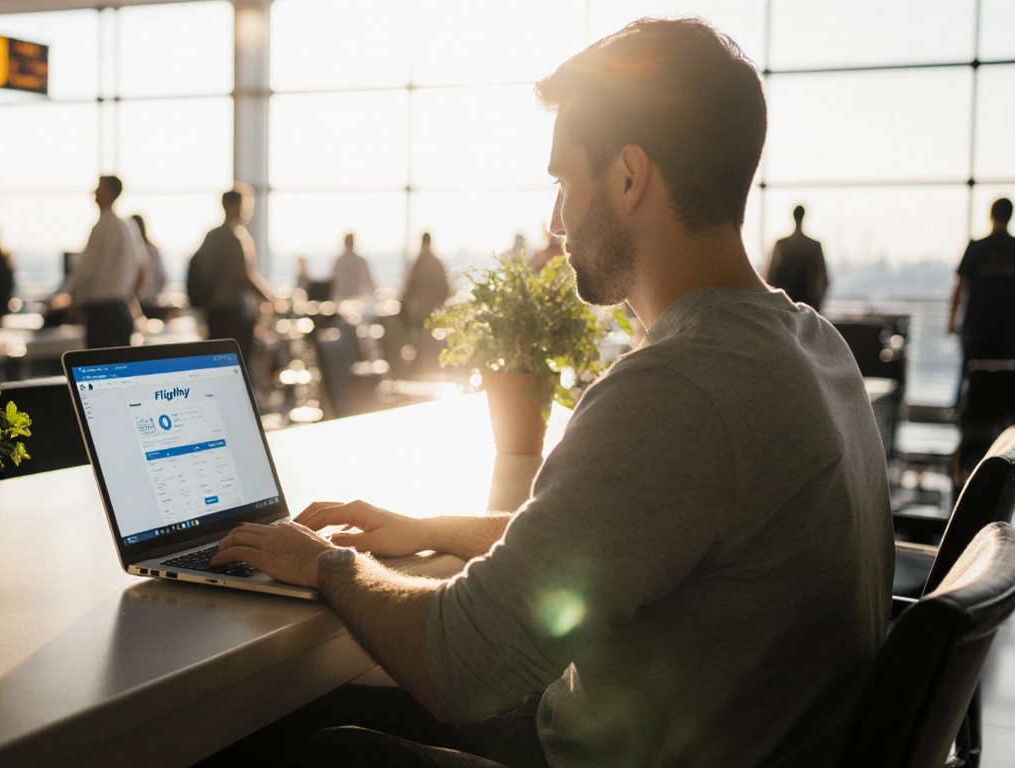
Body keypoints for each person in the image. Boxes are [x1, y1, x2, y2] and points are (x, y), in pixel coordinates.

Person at [207, 18, 892, 768]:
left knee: (298, 746)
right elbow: (608, 536)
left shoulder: (679, 388)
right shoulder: (809, 345)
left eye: (566, 182)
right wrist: (427, 527)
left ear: (631, 177)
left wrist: (325, 563)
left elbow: (459, 666)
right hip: (692, 732)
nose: (556, 222)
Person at [189, 185, 276, 367]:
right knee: (239, 366)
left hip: (216, 312)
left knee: (221, 366)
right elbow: (242, 274)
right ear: (232, 205)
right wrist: (270, 298)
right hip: (231, 314)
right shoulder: (232, 236)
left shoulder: (213, 235)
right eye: (246, 204)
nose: (248, 209)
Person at [948, 197, 1015, 364]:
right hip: (1012, 329)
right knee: (1010, 382)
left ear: (990, 215)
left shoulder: (976, 248)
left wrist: (951, 321)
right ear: (1010, 216)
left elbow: (960, 287)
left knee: (973, 380)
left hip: (977, 328)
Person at [66, 175, 147, 349]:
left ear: (109, 192)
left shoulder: (103, 227)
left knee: (98, 370)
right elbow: (142, 269)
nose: (94, 193)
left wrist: (74, 300)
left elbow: (87, 272)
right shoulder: (128, 226)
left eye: (98, 188)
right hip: (122, 311)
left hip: (102, 314)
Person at [764, 205, 829, 311]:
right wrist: (817, 302)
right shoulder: (813, 245)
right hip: (808, 304)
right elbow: (824, 279)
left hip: (784, 304)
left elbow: (769, 277)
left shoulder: (782, 245)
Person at [401, 232, 449, 331]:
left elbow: (409, 287)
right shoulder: (435, 262)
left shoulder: (419, 262)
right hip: (430, 309)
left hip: (421, 310)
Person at [130, 213, 166, 315]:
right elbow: (161, 277)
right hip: (142, 300)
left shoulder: (150, 250)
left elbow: (160, 277)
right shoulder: (150, 249)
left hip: (146, 301)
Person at [332, 233, 375, 303]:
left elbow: (368, 281)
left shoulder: (360, 261)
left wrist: (373, 297)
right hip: (341, 299)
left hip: (357, 299)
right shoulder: (339, 261)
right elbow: (334, 281)